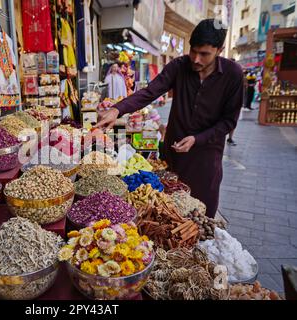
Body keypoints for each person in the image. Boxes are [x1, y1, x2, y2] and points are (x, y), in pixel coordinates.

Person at [96, 19, 244, 218]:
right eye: (193, 51)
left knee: (201, 217)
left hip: (206, 158)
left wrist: (197, 139)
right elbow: (150, 92)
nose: (196, 59)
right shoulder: (179, 65)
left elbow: (228, 121)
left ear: (220, 50)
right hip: (173, 153)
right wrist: (117, 110)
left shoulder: (233, 74)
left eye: (204, 54)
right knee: (165, 213)